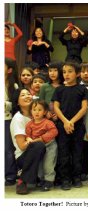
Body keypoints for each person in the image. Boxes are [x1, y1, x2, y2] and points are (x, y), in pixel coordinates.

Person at [52, 61, 88, 190]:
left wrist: (72, 121)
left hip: (77, 126)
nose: (66, 74)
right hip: (63, 126)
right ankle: (65, 179)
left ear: (77, 73)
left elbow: (84, 108)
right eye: (64, 72)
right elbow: (56, 107)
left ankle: (77, 177)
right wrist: (66, 122)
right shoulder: (59, 89)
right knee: (64, 153)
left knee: (78, 152)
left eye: (70, 71)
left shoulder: (82, 89)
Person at [10, 88, 46, 194]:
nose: (27, 96)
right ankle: (22, 180)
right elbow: (22, 146)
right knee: (39, 145)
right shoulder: (18, 119)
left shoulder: (36, 114)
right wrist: (36, 139)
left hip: (39, 150)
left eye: (28, 94)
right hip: (23, 156)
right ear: (17, 101)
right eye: (23, 95)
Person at [25, 100, 58, 191]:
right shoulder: (29, 124)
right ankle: (42, 179)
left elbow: (54, 131)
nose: (37, 112)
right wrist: (28, 139)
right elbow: (28, 135)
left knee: (48, 164)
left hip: (49, 146)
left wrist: (41, 138)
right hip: (38, 148)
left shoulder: (48, 122)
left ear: (44, 112)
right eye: (34, 109)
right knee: (39, 165)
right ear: (31, 111)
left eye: (40, 110)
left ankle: (49, 181)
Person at [5, 58, 19, 186]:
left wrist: (5, 105)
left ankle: (10, 175)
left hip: (7, 119)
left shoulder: (13, 86)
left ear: (9, 70)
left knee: (8, 148)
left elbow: (15, 105)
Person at [79, 63, 88, 181]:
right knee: (82, 147)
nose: (85, 73)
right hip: (79, 120)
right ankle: (82, 170)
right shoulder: (76, 86)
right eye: (83, 71)